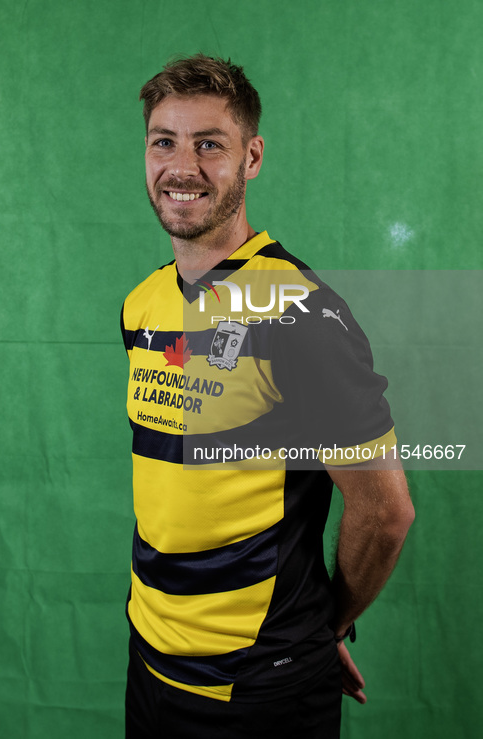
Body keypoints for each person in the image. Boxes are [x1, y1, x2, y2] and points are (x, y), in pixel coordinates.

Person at [121, 54, 414, 738]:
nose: (181, 165)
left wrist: (320, 625)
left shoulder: (299, 313)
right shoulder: (143, 303)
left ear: (250, 157)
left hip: (261, 689)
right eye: (164, 140)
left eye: (209, 144)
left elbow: (384, 511)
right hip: (150, 665)